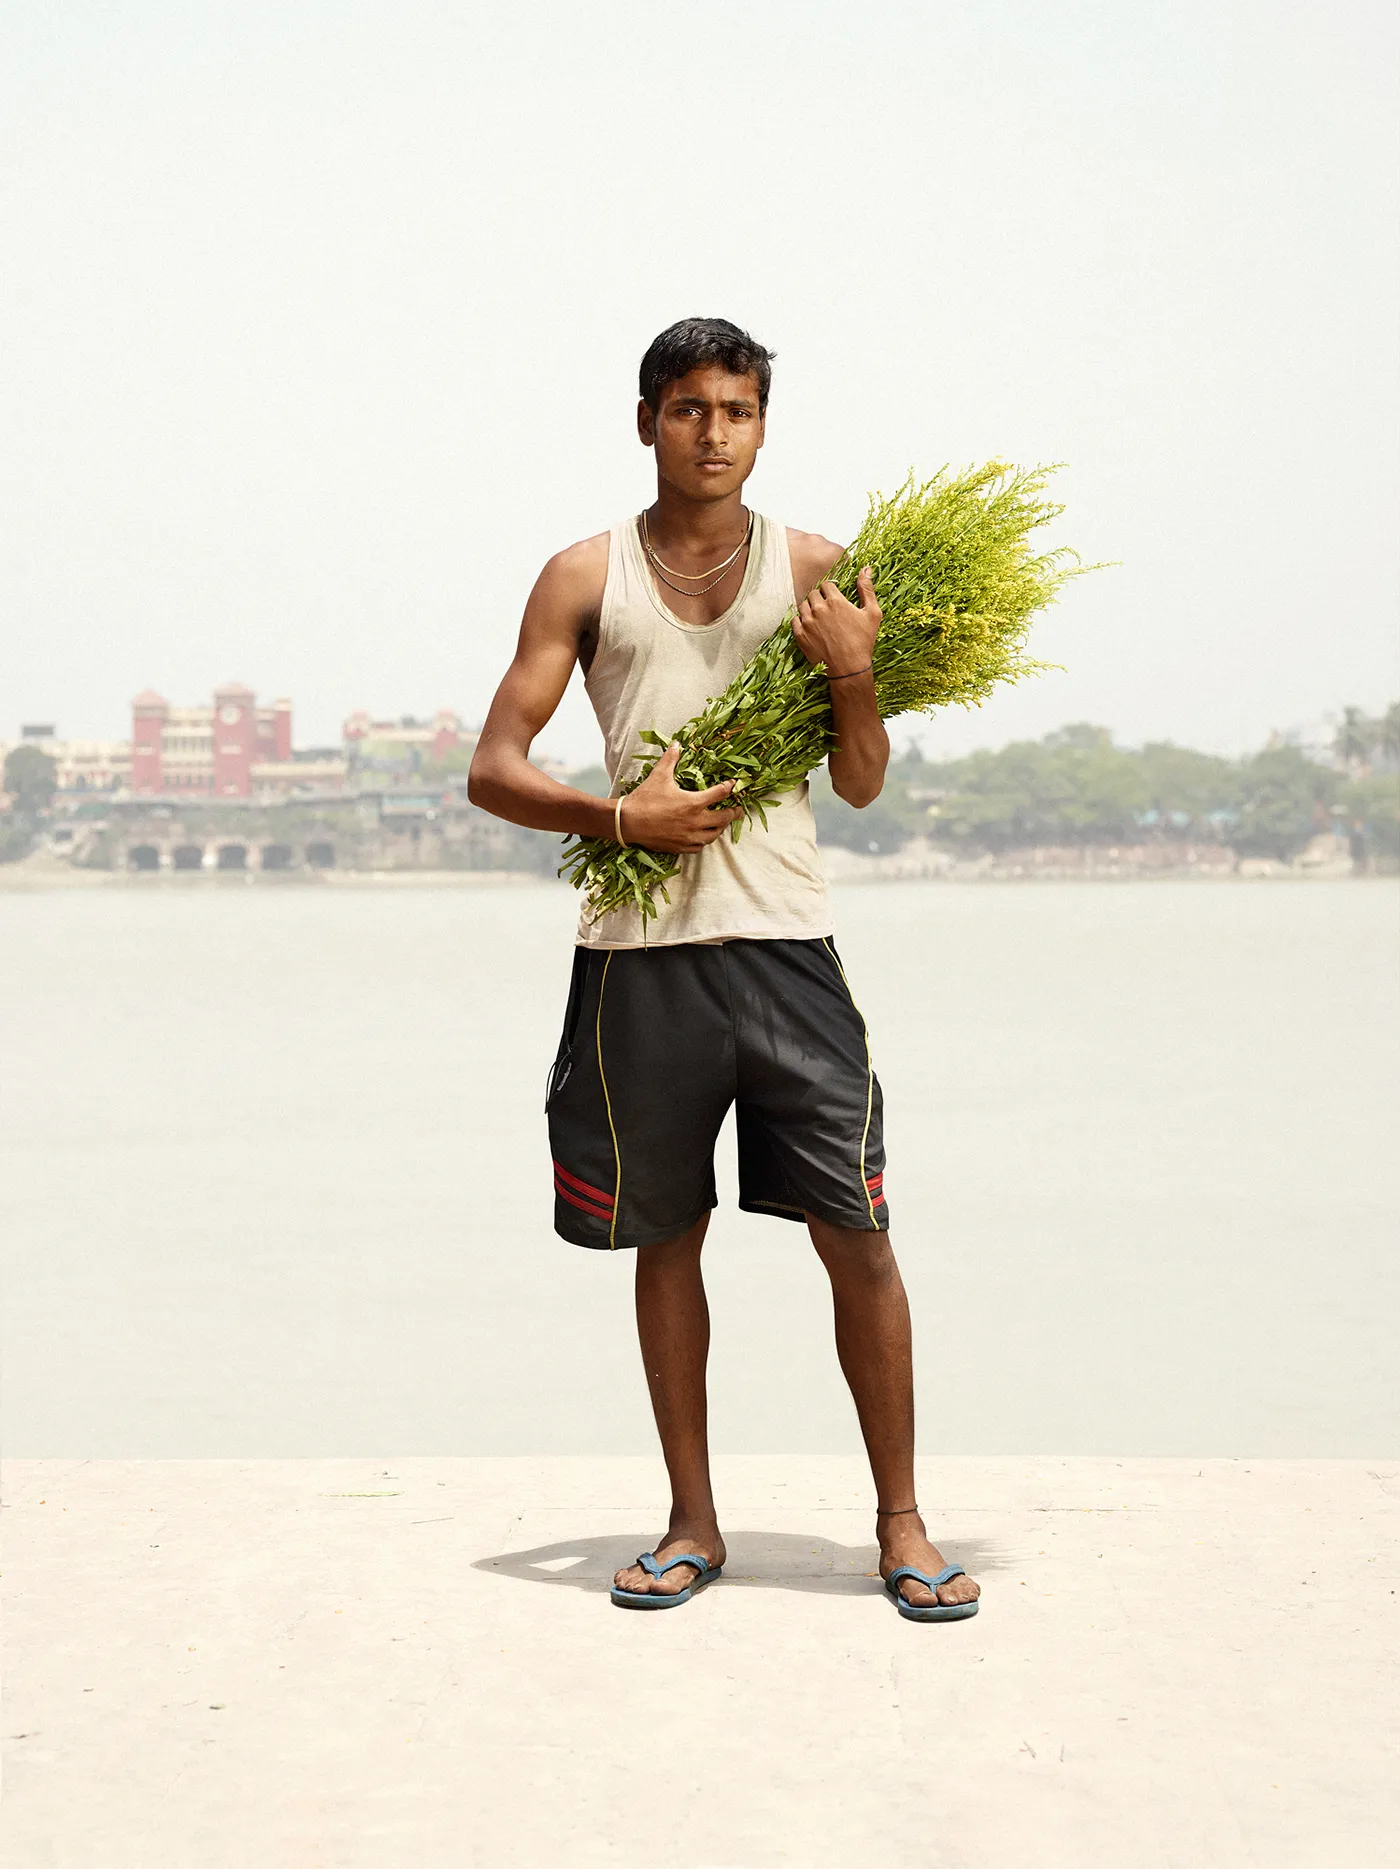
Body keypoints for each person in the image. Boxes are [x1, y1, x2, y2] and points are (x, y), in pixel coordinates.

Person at [468, 317, 980, 1622]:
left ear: (763, 426)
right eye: (687, 408)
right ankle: (694, 1523)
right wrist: (622, 821)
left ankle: (903, 1523)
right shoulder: (582, 578)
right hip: (640, 958)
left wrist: (856, 680)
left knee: (856, 1233)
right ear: (646, 420)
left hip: (787, 940)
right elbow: (496, 768)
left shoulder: (814, 572)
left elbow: (859, 785)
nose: (712, 431)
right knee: (666, 1237)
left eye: (736, 410)